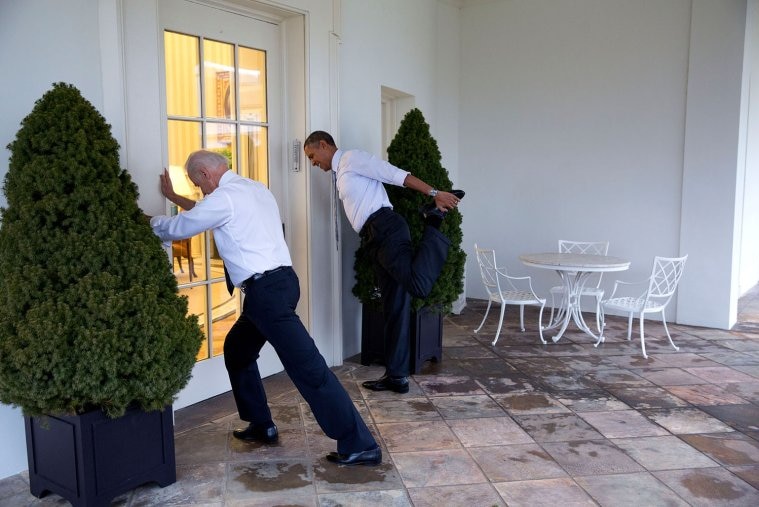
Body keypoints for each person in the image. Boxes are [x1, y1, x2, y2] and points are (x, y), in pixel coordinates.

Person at [150, 149, 381, 466]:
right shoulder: (254, 189)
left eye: (196, 183)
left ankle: (359, 443)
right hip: (283, 284)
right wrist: (176, 197)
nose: (199, 190)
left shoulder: (223, 198)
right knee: (237, 349)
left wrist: (148, 222)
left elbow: (180, 228)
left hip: (266, 295)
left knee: (308, 368)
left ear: (205, 174)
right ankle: (261, 423)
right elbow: (205, 212)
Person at [303, 131, 464, 394]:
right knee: (394, 307)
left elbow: (394, 174)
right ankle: (397, 376)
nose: (313, 163)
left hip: (386, 228)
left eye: (312, 156)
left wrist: (434, 193)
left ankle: (434, 219)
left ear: (323, 145)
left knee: (418, 285)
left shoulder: (352, 159)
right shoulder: (341, 171)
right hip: (373, 237)